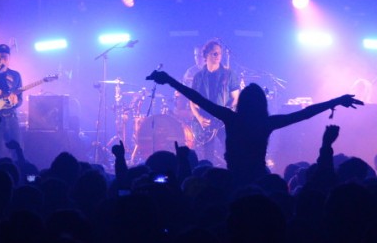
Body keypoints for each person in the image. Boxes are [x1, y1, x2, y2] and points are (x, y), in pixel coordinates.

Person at [146, 69, 363, 185]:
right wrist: (336, 101)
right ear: (262, 103)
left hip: (235, 178)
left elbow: (197, 98)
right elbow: (305, 114)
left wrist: (169, 80)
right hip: (259, 177)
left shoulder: (232, 118)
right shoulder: (266, 123)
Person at [187, 39, 240, 163]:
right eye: (214, 53)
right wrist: (199, 118)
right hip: (206, 122)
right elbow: (192, 101)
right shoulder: (198, 77)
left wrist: (228, 112)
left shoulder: (229, 74)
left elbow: (236, 98)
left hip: (223, 121)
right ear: (206, 55)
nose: (218, 56)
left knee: (232, 152)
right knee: (207, 156)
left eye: (219, 53)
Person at [174, 46, 206, 123]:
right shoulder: (190, 71)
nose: (197, 58)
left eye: (199, 55)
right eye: (195, 55)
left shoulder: (211, 69)